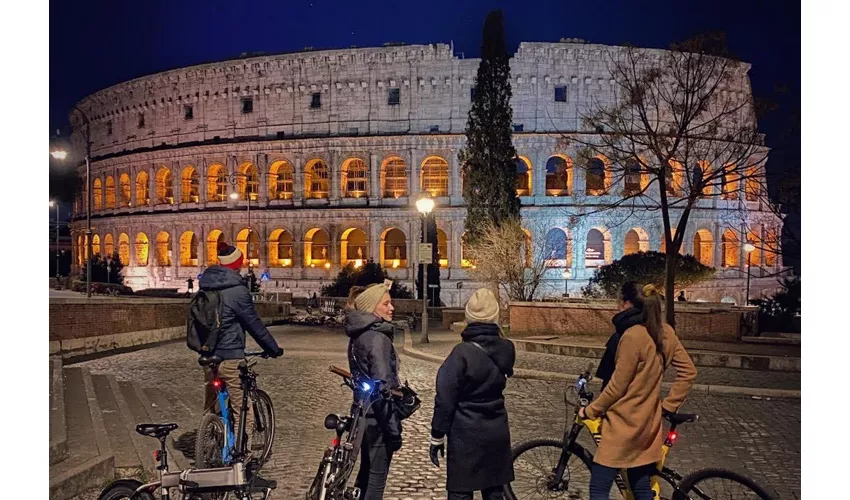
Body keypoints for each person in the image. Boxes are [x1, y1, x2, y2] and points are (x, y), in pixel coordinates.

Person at [578, 285, 697, 500]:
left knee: (599, 486)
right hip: (648, 423)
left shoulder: (633, 337)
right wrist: (668, 406)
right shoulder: (666, 332)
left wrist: (590, 411)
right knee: (641, 485)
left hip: (623, 424)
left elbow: (617, 386)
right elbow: (689, 372)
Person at [429, 288, 515, 500]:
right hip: (496, 430)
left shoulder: (462, 354)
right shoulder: (507, 349)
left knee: (460, 492)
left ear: (469, 317)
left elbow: (445, 398)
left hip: (465, 435)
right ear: (495, 316)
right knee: (494, 491)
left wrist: (437, 435)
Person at [199, 241, 284, 448]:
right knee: (242, 409)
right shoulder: (237, 291)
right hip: (231, 356)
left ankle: (207, 442)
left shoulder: (205, 287)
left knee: (211, 404)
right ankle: (240, 456)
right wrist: (272, 349)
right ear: (238, 264)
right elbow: (253, 324)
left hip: (208, 356)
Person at [345, 283, 402, 500]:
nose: (392, 308)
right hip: (377, 418)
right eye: (386, 303)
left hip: (362, 415)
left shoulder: (359, 335)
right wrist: (394, 431)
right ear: (372, 308)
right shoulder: (378, 339)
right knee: (376, 480)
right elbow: (383, 388)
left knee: (365, 475)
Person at [596, 281, 644, 390]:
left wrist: (595, 407)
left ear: (625, 303)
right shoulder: (660, 329)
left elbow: (615, 382)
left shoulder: (625, 334)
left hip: (623, 403)